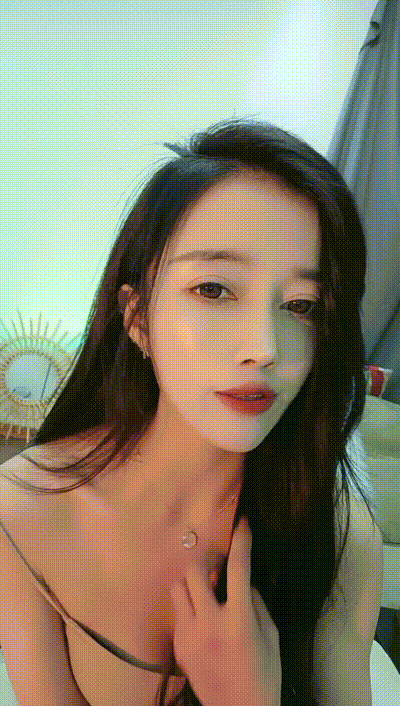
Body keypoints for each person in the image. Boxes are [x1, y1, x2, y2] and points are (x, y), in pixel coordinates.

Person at [0, 118, 383, 706]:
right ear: (137, 317)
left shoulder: (336, 532)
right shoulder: (24, 511)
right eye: (214, 290)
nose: (265, 348)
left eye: (302, 305)